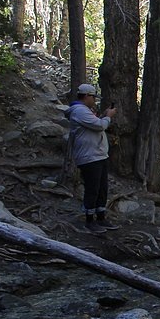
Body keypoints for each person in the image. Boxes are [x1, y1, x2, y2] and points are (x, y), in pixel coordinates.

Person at [67, 83, 118, 233]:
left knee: (102, 188)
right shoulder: (79, 111)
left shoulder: (85, 111)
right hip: (89, 156)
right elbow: (100, 126)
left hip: (98, 155)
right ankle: (89, 221)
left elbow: (96, 124)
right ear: (87, 96)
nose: (94, 100)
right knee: (92, 188)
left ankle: (101, 217)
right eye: (93, 97)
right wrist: (108, 117)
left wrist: (102, 117)